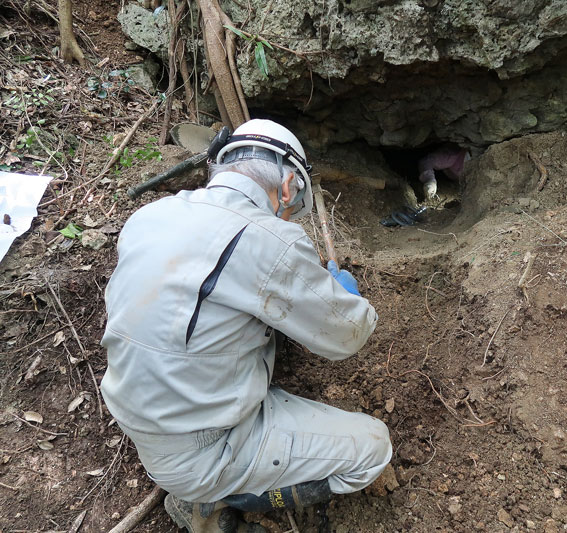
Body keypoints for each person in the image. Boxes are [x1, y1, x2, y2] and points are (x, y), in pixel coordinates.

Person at [100, 119, 392, 533]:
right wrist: (349, 295)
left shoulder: (152, 215)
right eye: (292, 210)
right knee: (373, 449)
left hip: (141, 420)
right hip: (202, 449)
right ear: (288, 186)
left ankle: (204, 479)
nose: (288, 217)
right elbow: (348, 335)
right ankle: (207, 502)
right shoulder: (268, 238)